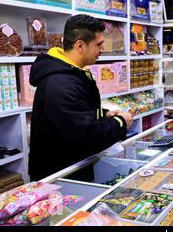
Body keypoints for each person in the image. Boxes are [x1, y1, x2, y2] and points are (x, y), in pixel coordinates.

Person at [29, 15, 133, 181]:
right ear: (80, 46)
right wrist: (121, 122)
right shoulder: (61, 83)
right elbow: (88, 137)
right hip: (60, 178)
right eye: (99, 44)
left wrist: (103, 114)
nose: (103, 49)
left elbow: (76, 113)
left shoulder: (73, 72)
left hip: (73, 168)